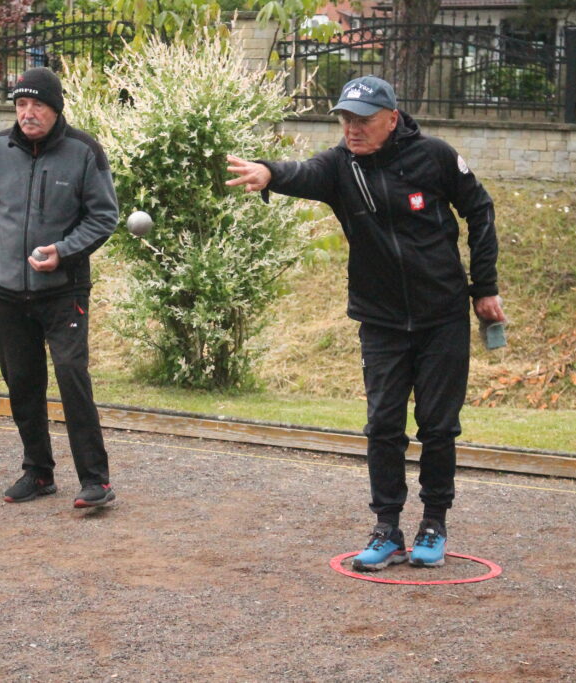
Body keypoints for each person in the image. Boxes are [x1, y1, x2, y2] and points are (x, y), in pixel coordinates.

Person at [226, 76, 505, 568]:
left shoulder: (435, 156)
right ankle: (387, 529)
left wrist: (484, 286)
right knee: (383, 425)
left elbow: (479, 210)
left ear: (392, 119)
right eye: (345, 119)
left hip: (441, 315)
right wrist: (268, 172)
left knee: (439, 426)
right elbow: (301, 172)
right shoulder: (340, 167)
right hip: (380, 319)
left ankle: (434, 523)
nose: (352, 128)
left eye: (364, 120)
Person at [0, 67, 119, 509]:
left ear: (56, 108)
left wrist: (63, 251)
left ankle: (96, 481)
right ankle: (38, 472)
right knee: (22, 383)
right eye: (21, 104)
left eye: (38, 105)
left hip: (64, 290)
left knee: (71, 377)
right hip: (9, 291)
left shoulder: (84, 151)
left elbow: (104, 217)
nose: (28, 113)